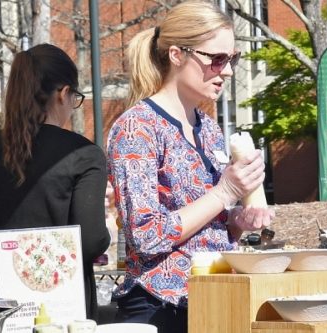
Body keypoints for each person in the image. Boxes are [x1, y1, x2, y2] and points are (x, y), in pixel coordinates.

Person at [106, 2, 272, 332]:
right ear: (177, 54)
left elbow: (205, 226)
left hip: (214, 297)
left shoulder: (209, 129)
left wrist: (236, 221)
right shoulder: (136, 128)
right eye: (217, 59)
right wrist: (225, 191)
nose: (227, 71)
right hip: (160, 307)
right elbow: (145, 236)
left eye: (232, 59)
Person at [0, 43, 111, 319]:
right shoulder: (83, 154)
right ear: (63, 93)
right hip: (55, 303)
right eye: (75, 98)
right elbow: (91, 240)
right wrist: (106, 236)